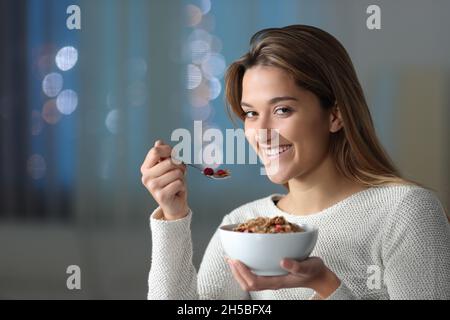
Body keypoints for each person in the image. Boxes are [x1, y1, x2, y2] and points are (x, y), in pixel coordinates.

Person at [141, 25, 450, 299]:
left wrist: (327, 286)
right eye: (250, 113)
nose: (260, 132)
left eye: (282, 110)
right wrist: (173, 215)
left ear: (335, 115)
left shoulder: (405, 211)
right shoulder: (244, 224)